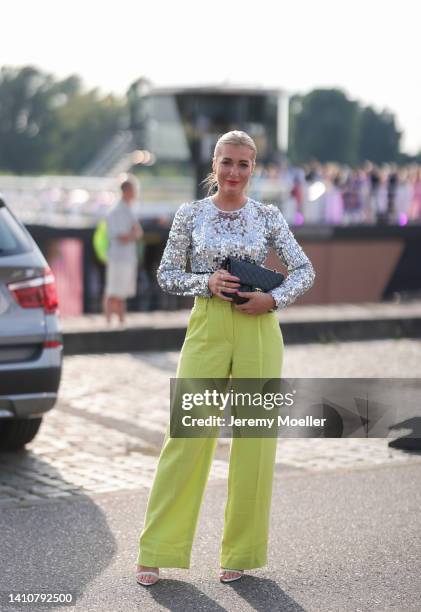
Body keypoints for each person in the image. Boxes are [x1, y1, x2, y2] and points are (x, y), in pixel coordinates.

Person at [135, 131, 315, 586]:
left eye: (244, 164)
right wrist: (206, 283)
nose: (234, 172)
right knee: (186, 437)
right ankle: (157, 549)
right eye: (227, 162)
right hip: (207, 329)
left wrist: (272, 303)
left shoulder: (268, 215)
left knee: (255, 445)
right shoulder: (189, 214)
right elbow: (167, 274)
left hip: (259, 329)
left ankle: (241, 553)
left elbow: (304, 270)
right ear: (213, 165)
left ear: (254, 168)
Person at [103, 179, 143, 324]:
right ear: (126, 190)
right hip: (118, 256)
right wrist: (134, 235)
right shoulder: (117, 210)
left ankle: (121, 320)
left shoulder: (129, 209)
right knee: (113, 290)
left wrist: (133, 234)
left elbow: (136, 232)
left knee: (122, 291)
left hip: (127, 256)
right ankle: (109, 320)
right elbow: (122, 235)